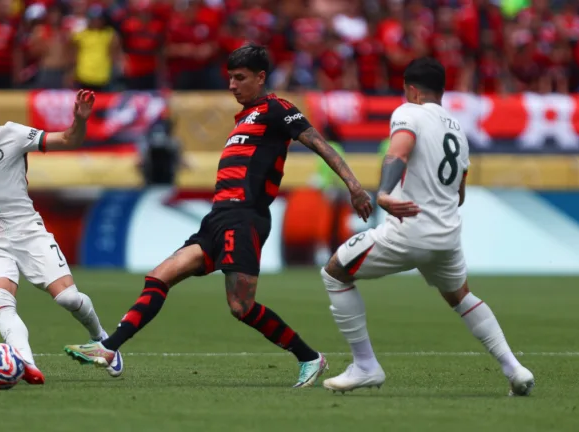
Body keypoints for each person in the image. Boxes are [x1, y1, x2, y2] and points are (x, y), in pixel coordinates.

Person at [64, 44, 373, 388]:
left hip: (244, 218)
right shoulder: (243, 118)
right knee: (159, 277)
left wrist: (354, 186)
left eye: (240, 78)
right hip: (217, 218)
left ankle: (309, 357)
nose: (232, 85)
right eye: (230, 78)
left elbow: (318, 143)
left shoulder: (278, 109)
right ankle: (108, 349)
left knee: (241, 306)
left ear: (260, 77)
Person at [318, 57, 535, 396]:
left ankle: (365, 366)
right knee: (461, 296)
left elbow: (398, 152)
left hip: (408, 228)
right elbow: (459, 193)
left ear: (412, 90)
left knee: (334, 273)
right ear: (441, 92)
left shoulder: (409, 112)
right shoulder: (457, 129)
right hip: (447, 235)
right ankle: (514, 368)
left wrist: (386, 193)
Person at [0, 87, 123, 384]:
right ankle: (26, 364)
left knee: (68, 298)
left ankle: (102, 340)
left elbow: (68, 139)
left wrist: (80, 121)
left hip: (27, 231)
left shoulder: (13, 135)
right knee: (1, 298)